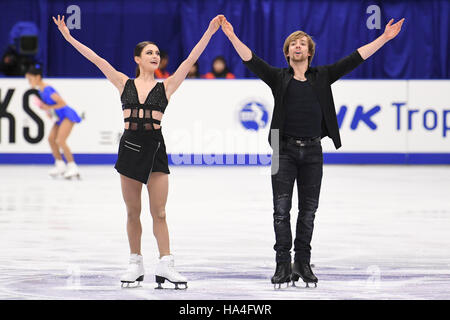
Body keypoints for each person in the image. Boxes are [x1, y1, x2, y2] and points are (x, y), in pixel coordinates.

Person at [221, 16, 405, 288]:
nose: (298, 46)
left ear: (309, 52)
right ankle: (282, 264)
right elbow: (251, 59)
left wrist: (385, 38)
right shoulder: (278, 77)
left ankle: (302, 262)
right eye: (293, 44)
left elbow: (356, 58)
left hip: (313, 150)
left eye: (303, 44)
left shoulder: (323, 76)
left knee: (308, 212)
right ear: (287, 52)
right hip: (279, 150)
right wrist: (232, 36)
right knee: (280, 211)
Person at [53, 14, 223, 289]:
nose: (155, 56)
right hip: (130, 148)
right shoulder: (123, 83)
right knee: (133, 212)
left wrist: (209, 32)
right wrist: (69, 38)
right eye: (149, 53)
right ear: (137, 59)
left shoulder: (167, 86)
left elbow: (191, 58)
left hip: (156, 148)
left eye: (157, 53)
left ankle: (166, 263)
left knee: (161, 212)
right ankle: (135, 263)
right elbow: (97, 59)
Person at [25, 63, 82, 179]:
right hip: (59, 117)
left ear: (37, 77)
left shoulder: (47, 89)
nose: (29, 82)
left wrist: (47, 108)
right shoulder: (41, 91)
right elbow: (51, 106)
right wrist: (47, 110)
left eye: (30, 79)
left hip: (67, 115)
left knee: (60, 140)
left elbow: (62, 103)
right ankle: (60, 165)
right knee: (51, 139)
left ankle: (73, 167)